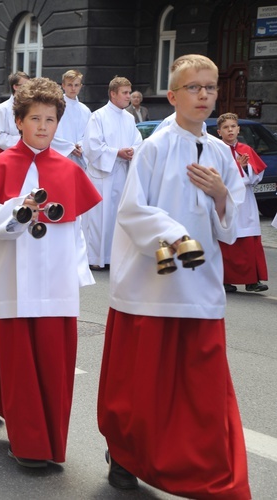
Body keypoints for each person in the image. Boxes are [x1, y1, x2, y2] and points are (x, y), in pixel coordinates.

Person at [97, 54, 250, 499]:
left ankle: (202, 466)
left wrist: (222, 196)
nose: (203, 95)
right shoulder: (155, 148)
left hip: (200, 286)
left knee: (200, 389)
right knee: (140, 385)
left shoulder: (222, 152)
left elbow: (232, 223)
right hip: (152, 284)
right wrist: (177, 234)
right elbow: (132, 210)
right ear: (173, 96)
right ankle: (125, 452)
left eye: (210, 87)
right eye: (193, 88)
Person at [0, 77, 101, 468]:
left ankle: (50, 439)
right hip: (13, 279)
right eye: (35, 119)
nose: (43, 127)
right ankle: (28, 442)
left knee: (55, 365)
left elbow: (75, 229)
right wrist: (17, 209)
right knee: (19, 363)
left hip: (56, 283)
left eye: (50, 120)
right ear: (19, 121)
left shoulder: (69, 169)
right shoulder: (0, 164)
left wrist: (77, 274)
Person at [82, 76, 142, 270]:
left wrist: (133, 150)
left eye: (129, 92)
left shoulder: (130, 118)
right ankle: (96, 258)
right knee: (100, 218)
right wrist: (116, 152)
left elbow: (138, 141)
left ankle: (113, 257)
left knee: (118, 216)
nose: (128, 96)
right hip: (103, 175)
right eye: (124, 93)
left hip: (123, 173)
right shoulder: (98, 116)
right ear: (112, 94)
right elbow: (91, 146)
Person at [217, 112, 269, 293]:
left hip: (246, 201)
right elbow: (217, 177)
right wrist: (237, 166)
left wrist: (246, 167)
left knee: (249, 238)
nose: (230, 130)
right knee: (227, 240)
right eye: (226, 127)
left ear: (238, 129)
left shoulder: (246, 149)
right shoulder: (216, 150)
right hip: (226, 199)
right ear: (219, 132)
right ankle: (226, 280)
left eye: (233, 126)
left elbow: (257, 176)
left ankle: (252, 280)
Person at [51, 70, 91, 169]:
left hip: (79, 158)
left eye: (76, 85)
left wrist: (81, 146)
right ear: (63, 86)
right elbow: (50, 132)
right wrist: (69, 148)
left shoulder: (85, 110)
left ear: (81, 86)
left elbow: (89, 134)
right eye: (70, 85)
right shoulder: (54, 106)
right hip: (59, 156)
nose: (73, 88)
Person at [0, 71, 29, 153]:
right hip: (8, 153)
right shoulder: (2, 108)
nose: (28, 89)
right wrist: (21, 141)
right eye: (25, 86)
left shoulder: (30, 107)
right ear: (15, 86)